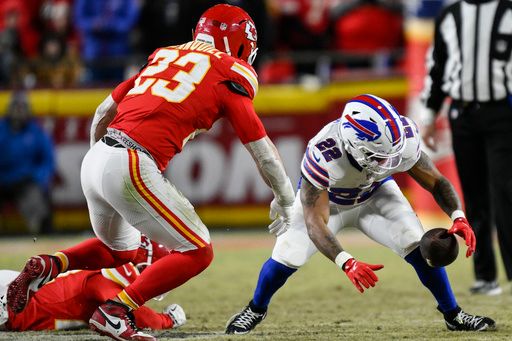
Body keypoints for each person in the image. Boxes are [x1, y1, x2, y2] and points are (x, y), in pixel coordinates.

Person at [7, 4, 296, 341]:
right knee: (198, 251)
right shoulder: (229, 73)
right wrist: (286, 200)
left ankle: (51, 264)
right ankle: (116, 311)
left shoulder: (164, 55)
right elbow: (263, 153)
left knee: (122, 251)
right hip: (132, 161)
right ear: (243, 46)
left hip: (99, 155)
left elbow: (103, 111)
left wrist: (100, 162)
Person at [225, 94, 496, 334]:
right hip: (330, 204)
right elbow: (314, 222)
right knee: (288, 254)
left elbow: (436, 182)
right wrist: (346, 261)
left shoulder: (400, 137)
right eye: (380, 157)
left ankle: (453, 314)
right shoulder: (324, 152)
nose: (389, 162)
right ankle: (256, 308)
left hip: (375, 194)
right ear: (354, 145)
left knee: (415, 241)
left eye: (393, 154)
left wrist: (458, 215)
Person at [420, 0, 512, 296]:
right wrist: (430, 115)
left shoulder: (508, 11)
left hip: (502, 112)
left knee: (505, 191)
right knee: (473, 197)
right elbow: (439, 66)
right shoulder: (450, 16)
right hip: (463, 114)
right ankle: (485, 276)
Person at [0, 235, 186, 332]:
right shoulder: (116, 278)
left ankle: (51, 264)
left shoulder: (111, 263)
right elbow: (140, 318)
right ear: (147, 265)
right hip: (13, 310)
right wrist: (169, 319)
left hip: (9, 285)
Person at [0, 91, 55, 234]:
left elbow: (47, 159)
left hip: (25, 180)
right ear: (9, 109)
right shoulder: (1, 129)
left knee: (34, 198)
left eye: (22, 106)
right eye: (15, 106)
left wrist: (38, 178)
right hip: (2, 178)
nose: (18, 110)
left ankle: (39, 233)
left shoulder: (36, 132)